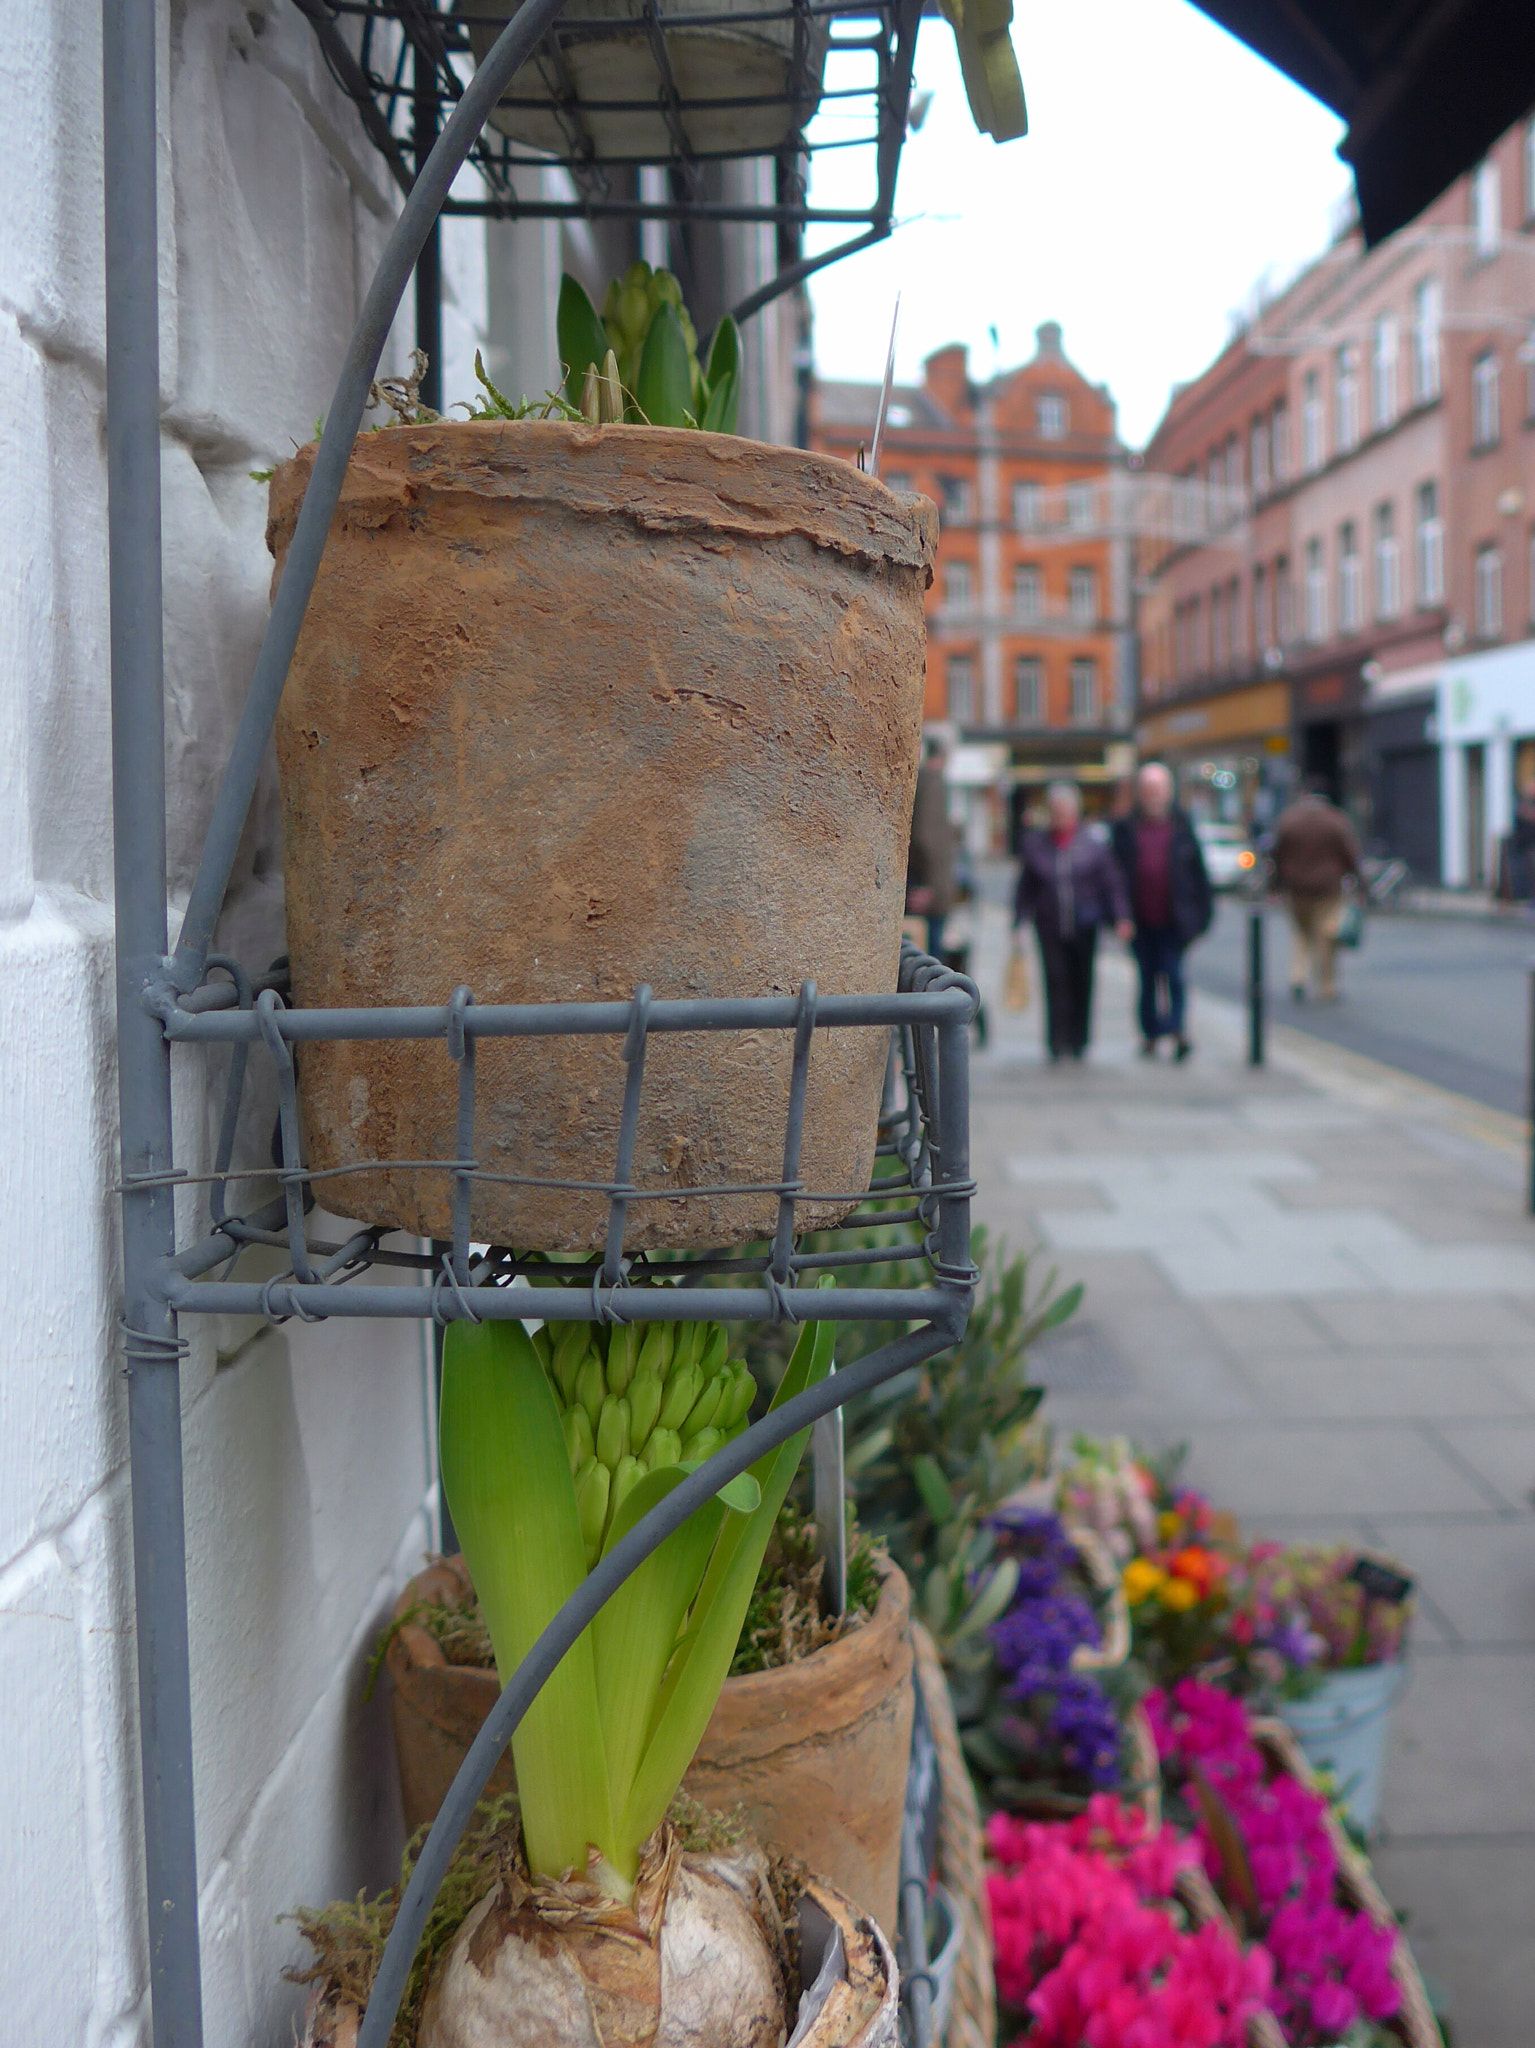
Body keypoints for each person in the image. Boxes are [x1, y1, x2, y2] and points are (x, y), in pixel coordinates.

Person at [1015, 781, 1131, 1061]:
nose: (1061, 817)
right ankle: (1057, 1040)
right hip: (1049, 924)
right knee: (1055, 980)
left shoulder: (1093, 844)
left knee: (1082, 981)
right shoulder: (1036, 845)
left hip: (1085, 923)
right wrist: (1018, 920)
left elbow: (1111, 883)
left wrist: (1121, 917)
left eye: (1066, 811)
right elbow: (1025, 887)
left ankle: (1079, 1040)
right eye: (1056, 811)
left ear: (1076, 813)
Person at [1111, 762, 1213, 1061]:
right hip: (1139, 921)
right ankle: (1152, 1033)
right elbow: (1115, 877)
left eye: (1158, 790)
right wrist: (1119, 916)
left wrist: (1199, 919)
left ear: (1168, 793)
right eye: (1148, 790)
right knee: (1146, 979)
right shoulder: (1125, 829)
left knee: (1175, 975)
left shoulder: (1183, 827)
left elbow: (1199, 877)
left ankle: (1177, 1030)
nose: (1153, 796)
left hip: (1175, 920)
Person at [1271, 780, 1361, 1001]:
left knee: (1301, 933)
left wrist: (1274, 885)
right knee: (1326, 936)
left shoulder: (1288, 820)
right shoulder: (1336, 821)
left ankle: (1298, 977)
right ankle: (1327, 985)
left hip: (1296, 887)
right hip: (1328, 888)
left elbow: (1276, 854)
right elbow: (1350, 854)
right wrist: (1359, 881)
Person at [906, 731, 958, 958]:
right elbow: (927, 838)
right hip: (927, 896)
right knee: (930, 968)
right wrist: (933, 888)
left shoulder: (924, 780)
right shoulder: (933, 782)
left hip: (924, 891)